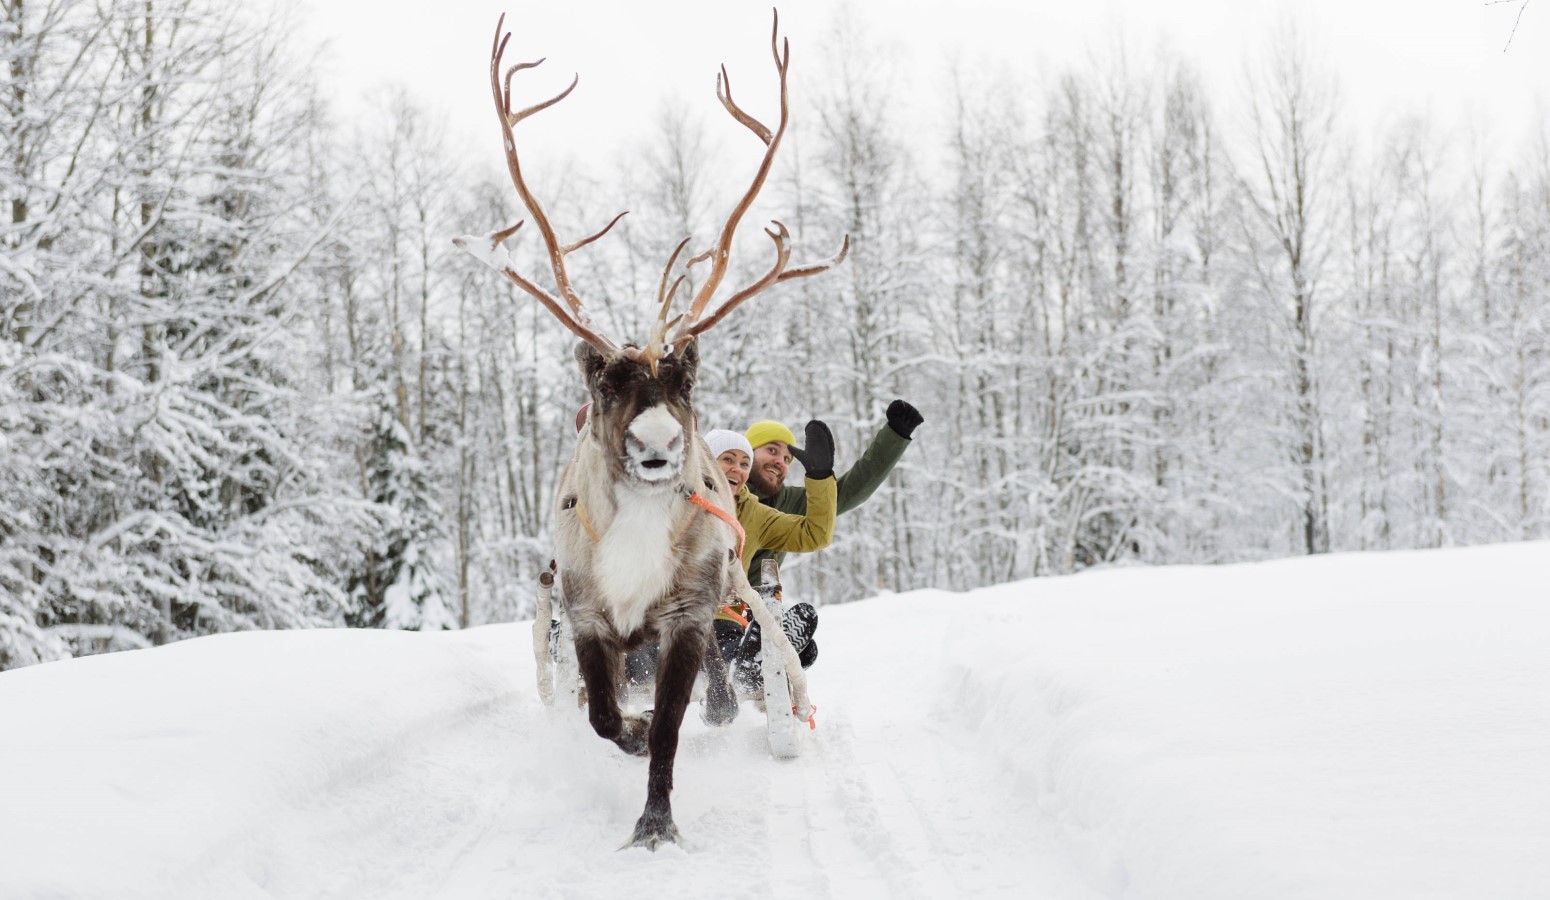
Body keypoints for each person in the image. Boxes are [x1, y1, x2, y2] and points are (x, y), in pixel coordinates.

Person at [729, 399, 923, 681]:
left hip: (753, 610)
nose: (780, 462)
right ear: (745, 453)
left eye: (787, 459)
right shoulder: (718, 491)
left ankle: (752, 672)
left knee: (806, 650)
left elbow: (844, 494)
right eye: (771, 450)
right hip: (710, 603)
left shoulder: (787, 502)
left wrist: (894, 437)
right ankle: (744, 667)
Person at [703, 427, 835, 689]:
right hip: (672, 619)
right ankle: (754, 659)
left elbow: (814, 534)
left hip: (726, 618)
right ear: (706, 461)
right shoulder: (676, 499)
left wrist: (820, 478)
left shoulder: (753, 513)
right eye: (727, 459)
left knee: (806, 648)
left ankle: (748, 666)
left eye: (744, 463)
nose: (737, 469)